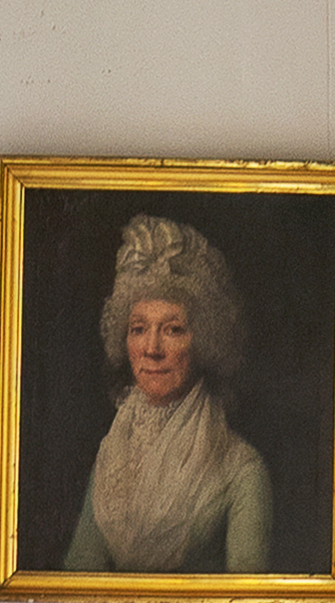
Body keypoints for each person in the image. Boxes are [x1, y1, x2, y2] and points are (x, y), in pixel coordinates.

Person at [58, 211, 275, 575]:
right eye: (138, 329)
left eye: (173, 329)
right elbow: (79, 573)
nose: (151, 348)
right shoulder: (112, 453)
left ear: (204, 339)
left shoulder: (241, 469)